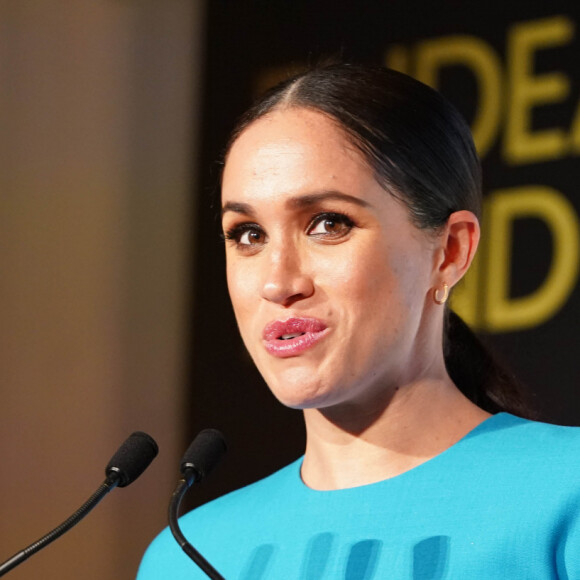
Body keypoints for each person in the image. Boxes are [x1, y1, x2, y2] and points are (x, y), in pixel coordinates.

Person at [137, 63, 579, 579]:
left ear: (450, 251)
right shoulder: (186, 556)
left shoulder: (564, 495)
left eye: (328, 224)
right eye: (248, 234)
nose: (278, 282)